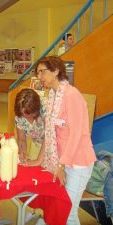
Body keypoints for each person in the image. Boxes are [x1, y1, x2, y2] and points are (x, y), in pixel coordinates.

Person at [27, 56, 96, 225]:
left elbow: (76, 135)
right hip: (61, 163)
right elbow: (50, 134)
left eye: (42, 72)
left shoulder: (72, 96)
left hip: (77, 163)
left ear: (56, 71)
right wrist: (39, 160)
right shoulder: (53, 95)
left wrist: (61, 165)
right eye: (38, 73)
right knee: (54, 211)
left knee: (67, 214)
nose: (40, 77)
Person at [14, 88, 46, 162]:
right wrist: (23, 154)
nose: (24, 116)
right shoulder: (19, 115)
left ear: (35, 109)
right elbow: (21, 139)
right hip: (37, 144)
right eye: (22, 114)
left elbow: (49, 136)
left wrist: (38, 161)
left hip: (51, 146)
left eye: (27, 113)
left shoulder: (45, 108)